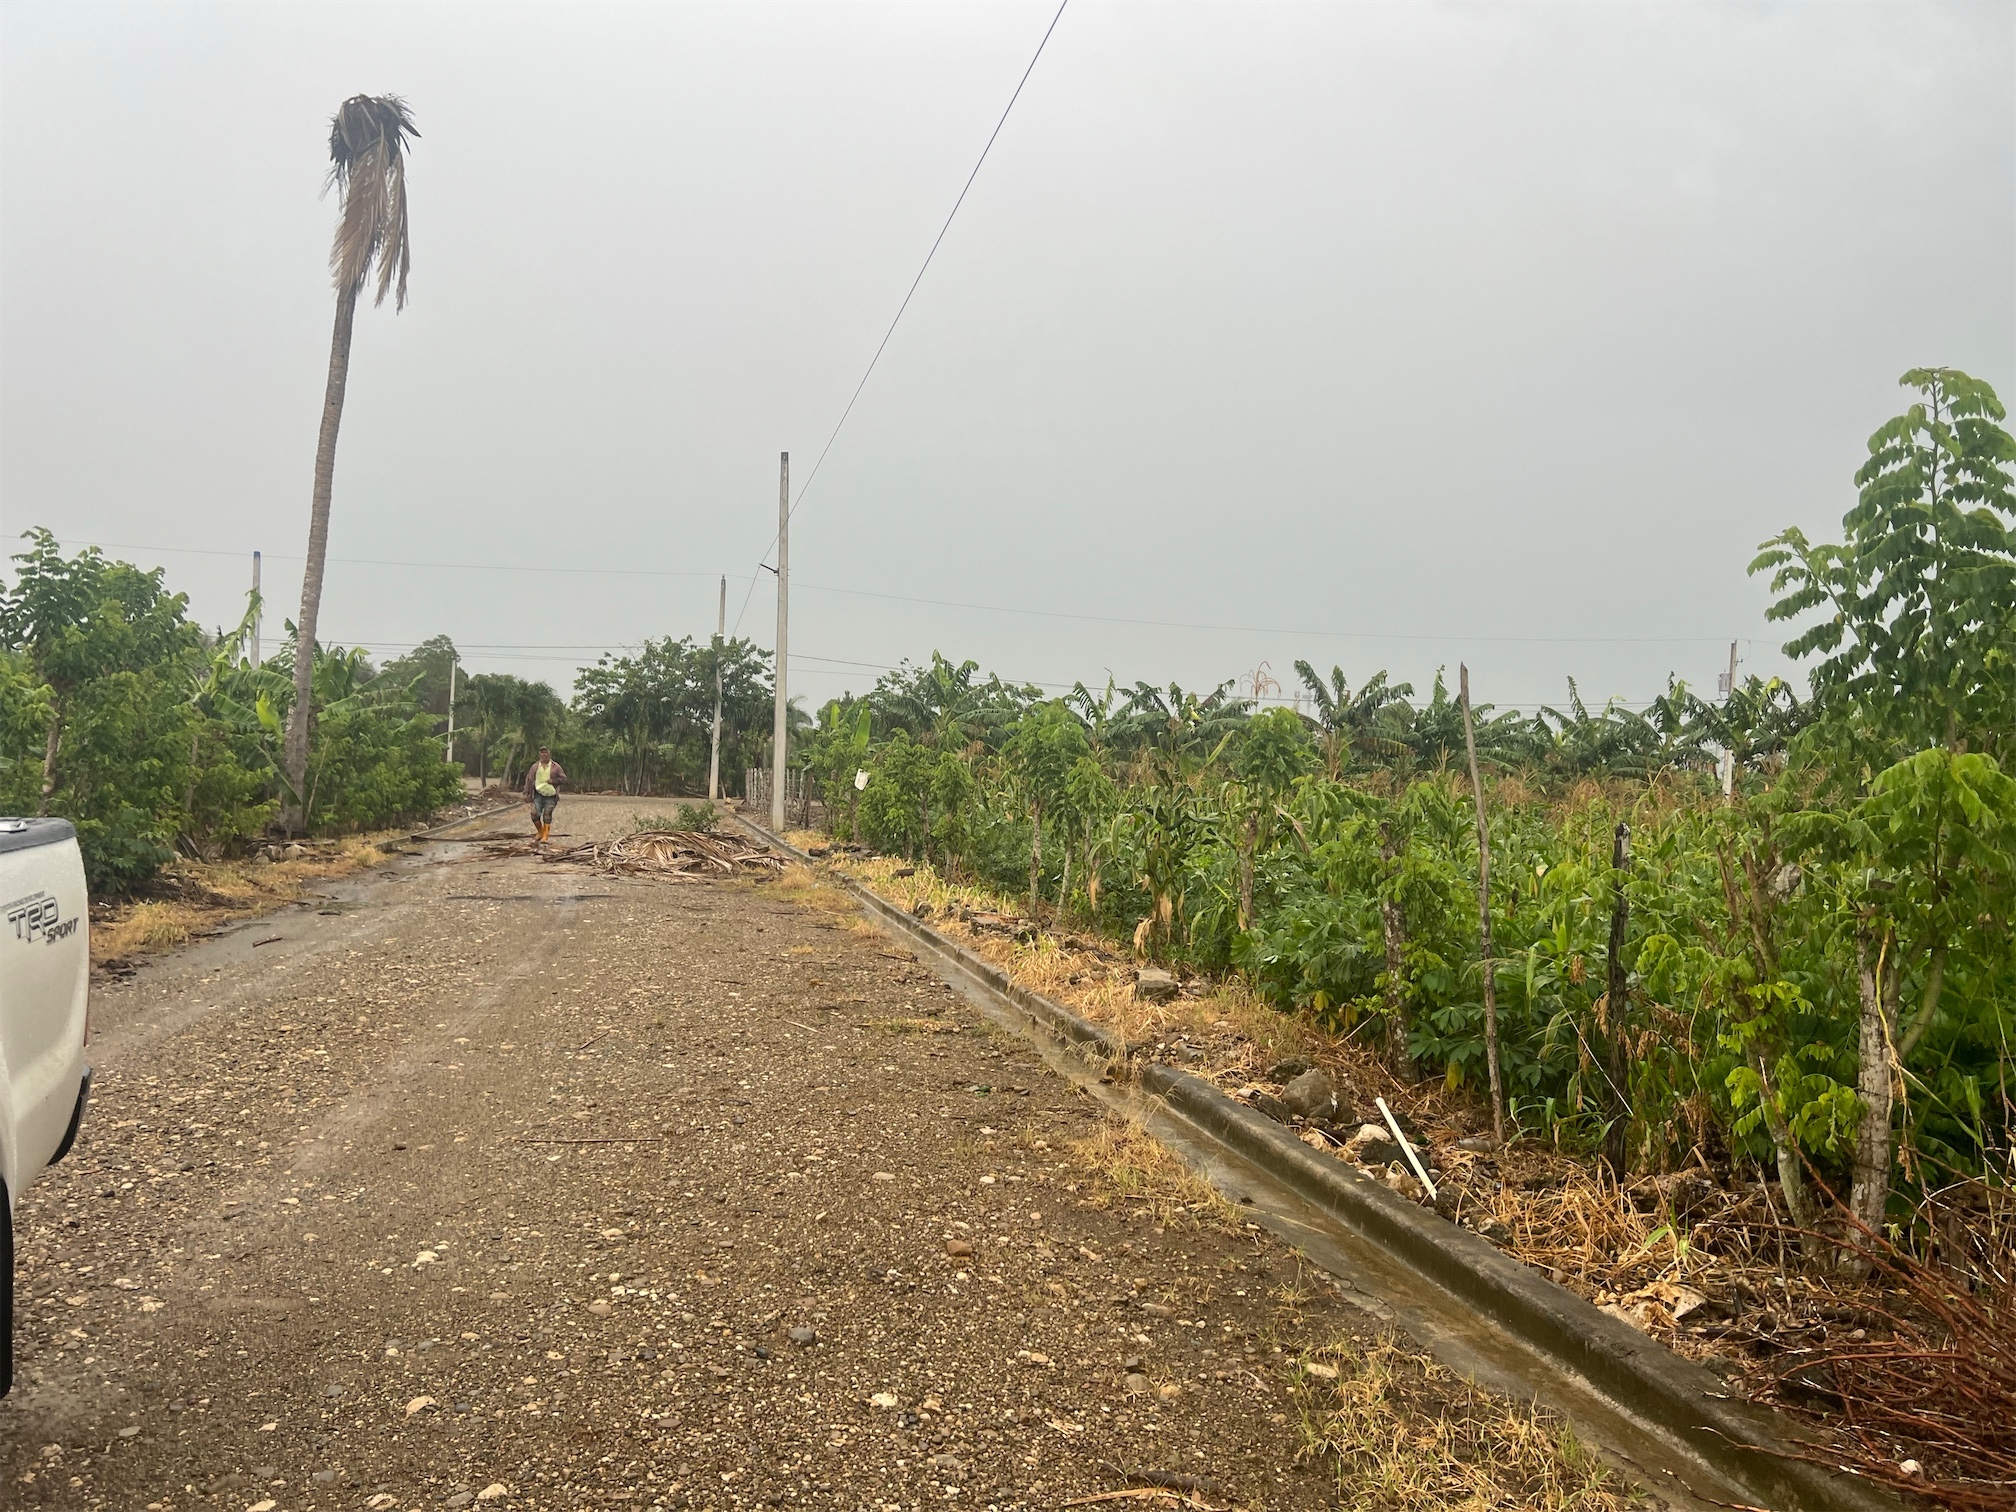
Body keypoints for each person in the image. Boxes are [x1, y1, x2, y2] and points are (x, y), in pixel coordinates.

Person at [523, 745, 567, 842]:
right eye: (542, 753)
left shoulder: (556, 767)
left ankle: (545, 835)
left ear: (549, 753)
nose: (544, 755)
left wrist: (553, 781)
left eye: (546, 752)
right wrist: (526, 793)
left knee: (547, 814)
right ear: (539, 754)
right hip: (537, 794)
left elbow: (563, 779)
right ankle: (540, 832)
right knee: (534, 814)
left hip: (551, 795)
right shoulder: (535, 767)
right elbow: (529, 780)